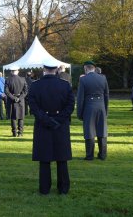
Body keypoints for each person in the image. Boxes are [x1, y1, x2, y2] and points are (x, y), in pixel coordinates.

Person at [28, 61, 75, 195]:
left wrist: (47, 120)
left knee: (45, 159)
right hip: (60, 125)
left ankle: (44, 189)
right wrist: (57, 120)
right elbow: (70, 106)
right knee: (61, 159)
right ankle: (63, 188)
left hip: (43, 125)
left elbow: (33, 107)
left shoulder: (35, 86)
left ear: (44, 69)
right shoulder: (65, 85)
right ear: (56, 69)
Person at [77, 61, 109, 161]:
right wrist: (105, 110)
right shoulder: (103, 78)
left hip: (89, 107)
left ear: (86, 68)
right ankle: (102, 155)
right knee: (102, 130)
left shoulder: (83, 79)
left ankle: (90, 155)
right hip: (101, 106)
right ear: (94, 68)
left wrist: (80, 113)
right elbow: (106, 95)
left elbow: (80, 98)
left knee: (89, 131)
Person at [5, 66, 28, 137]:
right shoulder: (23, 79)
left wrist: (14, 98)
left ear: (11, 72)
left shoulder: (8, 80)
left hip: (12, 100)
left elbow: (6, 91)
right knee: (21, 117)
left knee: (13, 117)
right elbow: (25, 91)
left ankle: (14, 133)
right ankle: (20, 133)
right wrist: (20, 98)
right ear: (17, 71)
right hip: (20, 100)